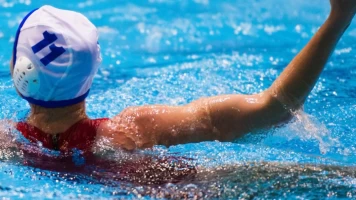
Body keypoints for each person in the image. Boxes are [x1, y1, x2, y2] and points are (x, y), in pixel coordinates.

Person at [4, 0, 356, 153]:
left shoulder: (9, 145)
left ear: (19, 71)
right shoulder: (136, 130)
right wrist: (339, 17)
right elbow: (274, 108)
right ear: (93, 69)